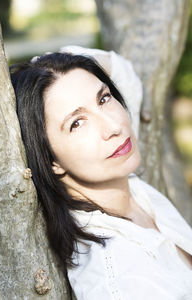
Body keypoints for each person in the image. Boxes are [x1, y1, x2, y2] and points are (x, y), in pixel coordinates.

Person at [10, 50, 192, 300]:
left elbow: (123, 72)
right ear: (50, 160)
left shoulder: (121, 177)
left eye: (104, 98)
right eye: (77, 123)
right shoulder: (119, 276)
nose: (114, 126)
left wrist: (49, 65)